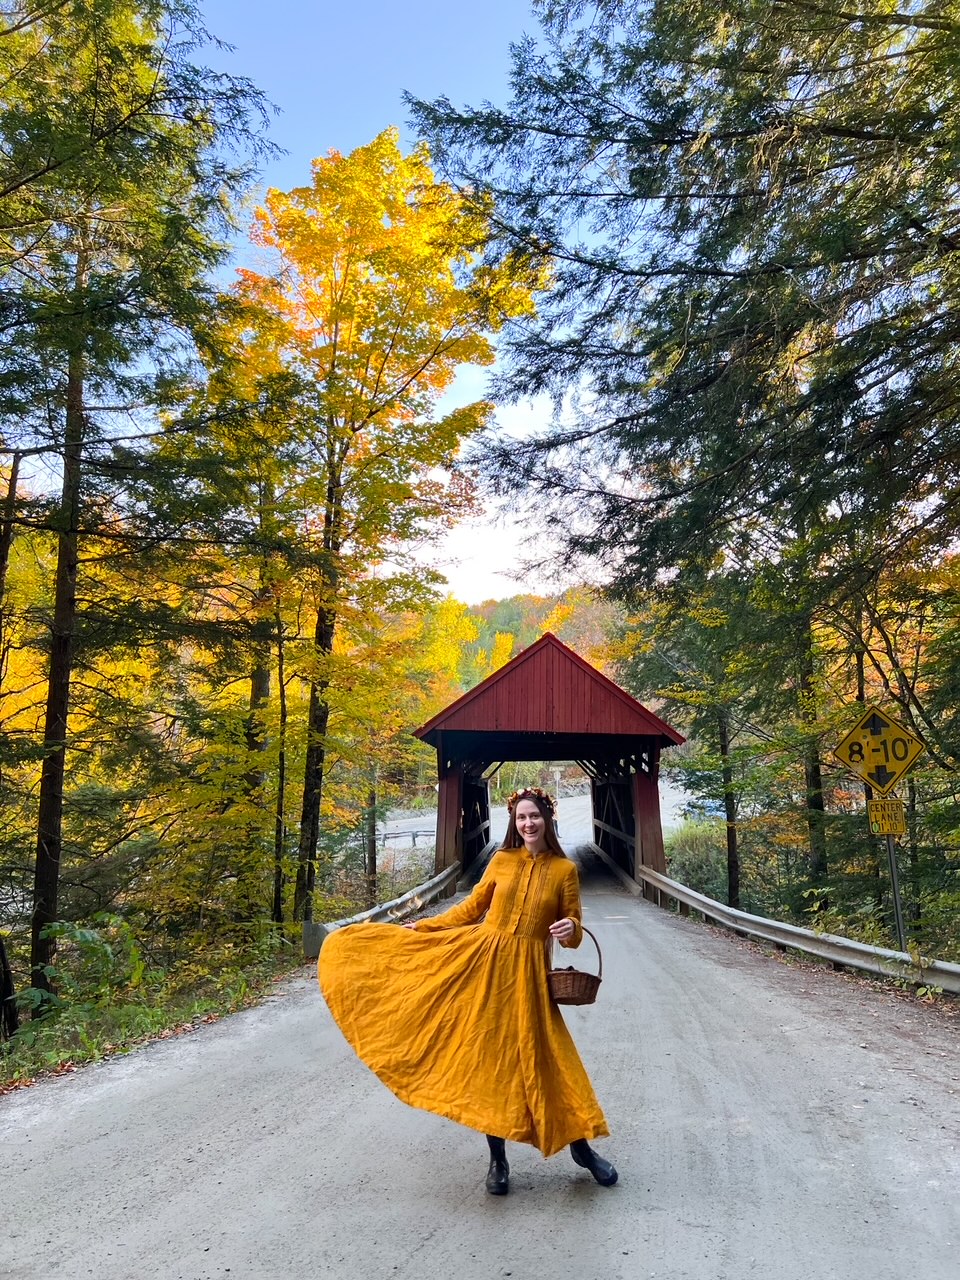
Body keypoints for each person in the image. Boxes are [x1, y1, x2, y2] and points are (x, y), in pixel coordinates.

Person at [318, 786, 618, 1195]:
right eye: (521, 818)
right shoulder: (501, 861)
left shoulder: (565, 871)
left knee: (549, 1058)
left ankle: (581, 1149)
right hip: (483, 965)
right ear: (514, 823)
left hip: (529, 974)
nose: (528, 824)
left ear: (548, 819)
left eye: (535, 816)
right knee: (487, 1059)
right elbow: (471, 909)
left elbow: (573, 930)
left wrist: (571, 930)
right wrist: (424, 927)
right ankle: (497, 1159)